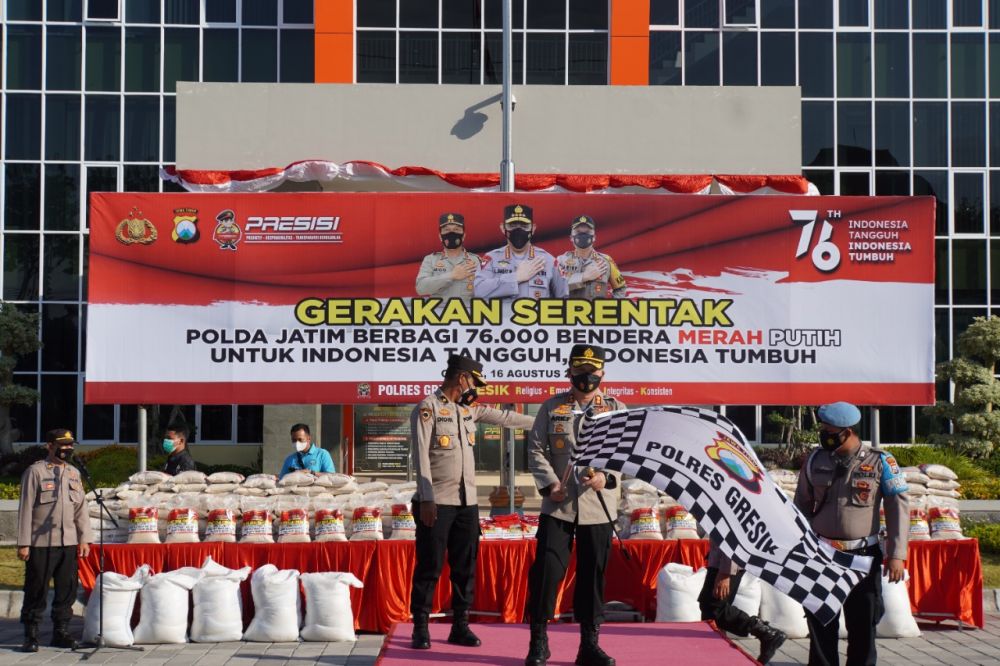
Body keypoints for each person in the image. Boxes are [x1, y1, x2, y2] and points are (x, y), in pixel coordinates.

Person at [410, 353, 535, 650]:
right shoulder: (428, 408)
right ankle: (420, 627)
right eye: (473, 380)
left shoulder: (468, 411)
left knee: (465, 567)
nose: (475, 387)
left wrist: (547, 420)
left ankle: (460, 626)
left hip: (466, 504)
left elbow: (505, 418)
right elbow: (421, 459)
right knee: (429, 566)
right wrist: (427, 499)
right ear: (461, 377)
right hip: (436, 502)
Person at [524, 345, 623, 666]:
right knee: (547, 571)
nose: (587, 379)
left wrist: (605, 478)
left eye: (593, 374)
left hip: (597, 505)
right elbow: (536, 449)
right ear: (570, 374)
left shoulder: (616, 408)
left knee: (593, 576)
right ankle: (539, 640)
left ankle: (589, 645)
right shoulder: (552, 407)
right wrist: (550, 482)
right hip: (558, 505)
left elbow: (624, 454)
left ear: (602, 374)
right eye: (581, 373)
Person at [793, 402, 909, 666]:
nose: (824, 433)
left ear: (847, 431)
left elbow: (898, 508)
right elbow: (801, 504)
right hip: (822, 553)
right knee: (821, 620)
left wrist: (897, 555)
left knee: (862, 624)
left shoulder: (881, 461)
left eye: (828, 429)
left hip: (863, 555)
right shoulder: (815, 459)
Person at [16, 429, 92, 652]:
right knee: (36, 589)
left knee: (66, 590)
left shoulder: (74, 473)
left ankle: (61, 632)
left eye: (70, 445)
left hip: (68, 542)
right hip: (40, 543)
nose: (67, 448)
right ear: (49, 446)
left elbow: (81, 509)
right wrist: (23, 542)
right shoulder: (35, 472)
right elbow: (26, 508)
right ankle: (31, 634)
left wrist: (84, 539)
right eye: (62, 444)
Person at [697, 541, 786, 664]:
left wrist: (725, 572)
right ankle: (717, 658)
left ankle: (766, 632)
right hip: (721, 561)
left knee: (713, 608)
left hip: (725, 564)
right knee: (712, 614)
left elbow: (732, 538)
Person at [474, 204, 568, 302]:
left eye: (524, 226)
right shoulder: (491, 259)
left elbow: (563, 300)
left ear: (533, 228)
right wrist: (516, 277)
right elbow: (479, 290)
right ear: (503, 228)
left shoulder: (549, 261)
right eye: (512, 226)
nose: (518, 231)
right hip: (501, 317)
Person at [556, 215, 627, 300]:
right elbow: (556, 289)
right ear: (571, 238)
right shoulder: (561, 261)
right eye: (578, 232)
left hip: (597, 312)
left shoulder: (606, 261)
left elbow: (621, 287)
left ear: (594, 237)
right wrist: (584, 277)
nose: (583, 235)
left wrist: (613, 308)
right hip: (569, 312)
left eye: (588, 232)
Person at [415, 212, 481, 302]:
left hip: (467, 313)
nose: (452, 233)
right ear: (440, 236)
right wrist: (451, 275)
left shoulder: (476, 260)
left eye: (456, 230)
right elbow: (421, 289)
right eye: (447, 230)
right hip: (439, 313)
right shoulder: (430, 259)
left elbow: (484, 291)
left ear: (464, 236)